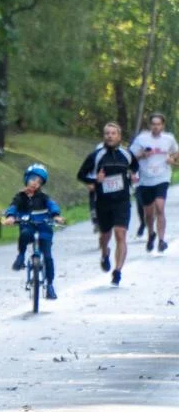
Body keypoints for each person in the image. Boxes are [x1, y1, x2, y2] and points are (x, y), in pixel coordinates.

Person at [77, 122, 139, 286]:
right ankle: (105, 253)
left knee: (120, 233)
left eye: (113, 133)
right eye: (107, 133)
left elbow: (135, 166)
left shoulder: (126, 154)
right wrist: (95, 180)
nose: (110, 136)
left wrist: (133, 175)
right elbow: (81, 175)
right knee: (105, 236)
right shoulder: (96, 155)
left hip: (122, 201)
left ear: (119, 136)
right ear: (104, 136)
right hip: (103, 202)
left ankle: (118, 271)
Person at [3, 163, 65, 299]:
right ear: (26, 179)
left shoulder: (43, 197)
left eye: (39, 182)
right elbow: (13, 207)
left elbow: (52, 205)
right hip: (28, 225)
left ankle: (50, 285)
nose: (35, 183)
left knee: (47, 256)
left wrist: (56, 216)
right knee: (25, 234)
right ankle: (21, 256)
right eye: (33, 179)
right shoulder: (20, 197)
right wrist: (11, 217)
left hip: (44, 227)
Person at [129, 113, 178, 253]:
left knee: (160, 207)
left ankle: (161, 240)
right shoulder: (141, 139)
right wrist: (143, 155)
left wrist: (172, 158)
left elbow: (176, 152)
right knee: (149, 214)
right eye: (153, 124)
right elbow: (131, 156)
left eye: (158, 124)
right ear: (150, 125)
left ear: (163, 125)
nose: (156, 127)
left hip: (162, 177)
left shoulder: (169, 139)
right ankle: (151, 233)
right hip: (145, 179)